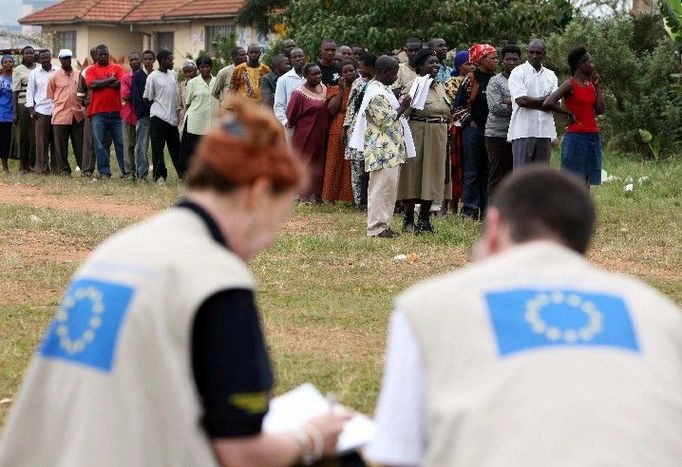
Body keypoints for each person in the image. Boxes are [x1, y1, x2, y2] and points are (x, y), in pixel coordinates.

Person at [0, 97, 350, 467]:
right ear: (259, 192)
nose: (270, 240)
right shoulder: (217, 279)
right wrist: (311, 437)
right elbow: (242, 455)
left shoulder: (117, 249)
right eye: (276, 220)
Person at [365, 165, 682, 467]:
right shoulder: (661, 315)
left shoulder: (427, 307)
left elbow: (399, 454)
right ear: (583, 242)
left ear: (493, 228)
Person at [349, 55, 414, 238]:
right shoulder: (376, 93)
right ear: (384, 72)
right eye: (394, 73)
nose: (396, 77)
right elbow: (385, 120)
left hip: (389, 149)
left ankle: (383, 224)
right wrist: (403, 106)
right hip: (381, 149)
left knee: (388, 189)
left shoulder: (383, 89)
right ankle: (376, 227)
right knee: (380, 189)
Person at [398, 49, 451, 233]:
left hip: (439, 135)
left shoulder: (439, 86)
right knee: (413, 175)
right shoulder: (415, 85)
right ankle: (408, 219)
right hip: (419, 133)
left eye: (437, 62)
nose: (435, 65)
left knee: (433, 175)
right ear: (420, 66)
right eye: (430, 62)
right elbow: (403, 113)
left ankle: (425, 220)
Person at [544, 46, 605, 186]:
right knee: (573, 181)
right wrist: (567, 113)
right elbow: (548, 102)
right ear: (580, 65)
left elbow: (600, 110)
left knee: (587, 180)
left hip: (593, 136)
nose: (592, 65)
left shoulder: (590, 85)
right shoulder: (569, 84)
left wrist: (598, 87)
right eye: (590, 62)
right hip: (576, 137)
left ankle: (583, 208)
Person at [453, 44, 498, 220]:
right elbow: (457, 106)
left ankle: (487, 211)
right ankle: (469, 210)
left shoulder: (496, 79)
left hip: (493, 131)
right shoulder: (470, 79)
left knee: (489, 171)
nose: (496, 61)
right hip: (474, 130)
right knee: (472, 171)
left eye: (496, 58)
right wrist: (470, 123)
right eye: (492, 58)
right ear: (481, 60)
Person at [507, 39, 558, 167]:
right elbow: (521, 101)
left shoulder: (551, 75)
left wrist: (535, 102)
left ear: (544, 54)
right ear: (527, 52)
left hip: (545, 132)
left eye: (538, 53)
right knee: (522, 179)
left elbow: (556, 104)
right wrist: (547, 99)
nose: (534, 55)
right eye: (531, 52)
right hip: (523, 131)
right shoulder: (517, 72)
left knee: (541, 178)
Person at [285, 63, 329, 203]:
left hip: (321, 134)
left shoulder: (324, 89)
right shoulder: (299, 93)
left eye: (319, 73)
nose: (318, 76)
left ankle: (317, 195)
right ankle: (304, 196)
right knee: (305, 162)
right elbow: (291, 114)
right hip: (305, 134)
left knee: (319, 163)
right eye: (314, 74)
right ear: (305, 76)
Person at [441, 50, 474, 215]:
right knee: (452, 168)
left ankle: (461, 204)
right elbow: (452, 108)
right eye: (468, 63)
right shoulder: (451, 83)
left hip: (470, 129)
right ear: (459, 65)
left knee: (466, 167)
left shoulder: (476, 81)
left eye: (474, 63)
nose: (471, 66)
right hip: (455, 129)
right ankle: (447, 205)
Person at [485, 44, 521, 196]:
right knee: (497, 175)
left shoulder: (522, 80)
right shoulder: (495, 81)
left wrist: (509, 101)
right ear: (502, 61)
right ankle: (493, 213)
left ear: (520, 61)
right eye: (508, 59)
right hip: (497, 135)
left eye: (515, 59)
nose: (511, 62)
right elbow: (495, 107)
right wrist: (519, 104)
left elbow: (532, 103)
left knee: (514, 176)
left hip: (518, 134)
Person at [86, 44, 126, 178]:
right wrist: (110, 80)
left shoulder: (118, 68)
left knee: (120, 143)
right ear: (96, 56)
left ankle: (126, 171)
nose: (102, 56)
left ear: (108, 54)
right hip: (98, 113)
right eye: (100, 54)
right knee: (99, 144)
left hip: (117, 113)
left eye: (105, 54)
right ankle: (104, 172)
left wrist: (101, 83)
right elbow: (92, 85)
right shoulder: (91, 69)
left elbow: (120, 83)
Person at [144, 49, 183, 184]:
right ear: (161, 61)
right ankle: (159, 176)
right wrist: (158, 110)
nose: (172, 62)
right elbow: (148, 98)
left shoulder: (174, 74)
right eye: (169, 60)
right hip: (158, 118)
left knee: (176, 148)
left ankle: (182, 174)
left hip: (172, 119)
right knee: (158, 148)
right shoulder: (153, 77)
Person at [343, 53, 376, 209]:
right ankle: (359, 201)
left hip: (374, 126)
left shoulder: (380, 82)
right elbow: (350, 106)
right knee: (357, 164)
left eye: (362, 67)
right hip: (357, 125)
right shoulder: (357, 83)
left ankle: (372, 199)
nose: (359, 70)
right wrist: (346, 127)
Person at [47, 49, 84, 176]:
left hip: (77, 115)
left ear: (71, 58)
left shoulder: (79, 74)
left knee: (80, 144)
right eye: (64, 58)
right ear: (59, 59)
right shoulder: (53, 76)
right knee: (60, 146)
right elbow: (51, 95)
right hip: (60, 115)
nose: (66, 60)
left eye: (68, 57)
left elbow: (84, 92)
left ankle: (84, 170)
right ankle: (64, 171)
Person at [322, 60, 355, 203]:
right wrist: (341, 90)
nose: (348, 74)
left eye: (351, 71)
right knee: (334, 161)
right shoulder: (334, 89)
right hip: (337, 126)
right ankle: (330, 196)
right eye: (345, 72)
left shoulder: (360, 88)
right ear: (340, 75)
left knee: (350, 164)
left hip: (354, 127)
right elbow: (332, 110)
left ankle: (349, 197)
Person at [180, 55, 217, 168]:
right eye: (202, 67)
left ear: (211, 67)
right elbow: (188, 103)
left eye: (207, 67)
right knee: (193, 149)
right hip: (196, 121)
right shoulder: (193, 82)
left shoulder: (217, 81)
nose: (205, 69)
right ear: (198, 69)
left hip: (212, 121)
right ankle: (190, 173)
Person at [25, 49, 57, 175]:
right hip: (41, 111)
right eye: (42, 58)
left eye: (47, 57)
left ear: (51, 57)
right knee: (41, 142)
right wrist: (31, 109)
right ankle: (42, 169)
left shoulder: (58, 71)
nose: (45, 59)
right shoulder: (35, 73)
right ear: (39, 59)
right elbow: (30, 92)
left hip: (56, 110)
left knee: (56, 142)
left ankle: (56, 168)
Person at [78, 46, 105, 177]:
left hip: (108, 110)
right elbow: (80, 95)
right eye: (97, 54)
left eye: (102, 54)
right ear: (93, 56)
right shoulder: (86, 71)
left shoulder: (111, 69)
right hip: (91, 111)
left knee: (104, 141)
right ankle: (87, 170)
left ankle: (104, 171)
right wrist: (88, 106)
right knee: (89, 141)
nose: (100, 56)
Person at [132, 49, 156, 180]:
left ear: (154, 60)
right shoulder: (137, 75)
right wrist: (141, 113)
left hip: (158, 116)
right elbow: (136, 97)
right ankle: (141, 174)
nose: (148, 61)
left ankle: (158, 174)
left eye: (150, 59)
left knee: (157, 146)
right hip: (144, 116)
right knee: (141, 146)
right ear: (142, 60)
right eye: (145, 59)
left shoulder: (158, 74)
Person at [12, 46, 36, 173]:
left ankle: (33, 164)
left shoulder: (39, 68)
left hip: (37, 106)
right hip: (23, 105)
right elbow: (15, 92)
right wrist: (14, 112)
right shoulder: (18, 70)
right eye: (27, 53)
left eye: (31, 53)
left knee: (35, 136)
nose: (29, 55)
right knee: (24, 136)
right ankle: (23, 165)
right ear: (23, 55)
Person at [120, 52, 141, 178]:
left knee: (141, 146)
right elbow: (126, 96)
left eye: (136, 60)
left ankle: (141, 171)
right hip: (128, 115)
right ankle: (129, 172)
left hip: (142, 116)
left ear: (140, 61)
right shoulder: (126, 78)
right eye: (131, 60)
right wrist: (138, 95)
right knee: (128, 145)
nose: (134, 62)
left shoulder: (147, 76)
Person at [273, 48, 306, 127]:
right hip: (292, 125)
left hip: (311, 123)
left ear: (305, 57)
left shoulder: (312, 75)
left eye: (300, 56)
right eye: (294, 57)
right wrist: (285, 122)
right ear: (290, 60)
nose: (298, 59)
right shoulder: (283, 80)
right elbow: (278, 105)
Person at [0, 55, 13, 174]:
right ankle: (5, 167)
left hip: (16, 113)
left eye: (10, 61)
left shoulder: (17, 77)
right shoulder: (0, 79)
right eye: (5, 62)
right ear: (2, 64)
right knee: (4, 141)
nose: (8, 63)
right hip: (3, 114)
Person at [177, 60, 198, 129]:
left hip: (197, 117)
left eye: (190, 71)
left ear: (195, 71)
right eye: (185, 72)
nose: (187, 74)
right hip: (184, 118)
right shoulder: (182, 85)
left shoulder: (200, 84)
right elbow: (179, 104)